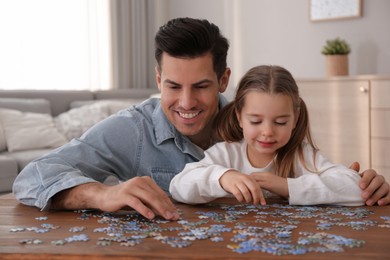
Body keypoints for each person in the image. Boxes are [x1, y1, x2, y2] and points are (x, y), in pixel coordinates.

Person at [12, 18, 390, 220]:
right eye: (173, 86)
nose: (186, 102)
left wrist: (365, 184)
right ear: (158, 79)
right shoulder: (131, 129)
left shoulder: (256, 121)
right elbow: (32, 178)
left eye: (202, 86)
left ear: (224, 80)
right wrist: (102, 193)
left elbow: (326, 175)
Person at [170, 65, 370, 206]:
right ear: (239, 117)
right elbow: (179, 186)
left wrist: (287, 186)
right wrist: (222, 177)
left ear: (295, 118)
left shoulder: (304, 156)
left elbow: (356, 189)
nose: (267, 132)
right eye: (255, 121)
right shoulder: (225, 154)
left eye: (280, 122)